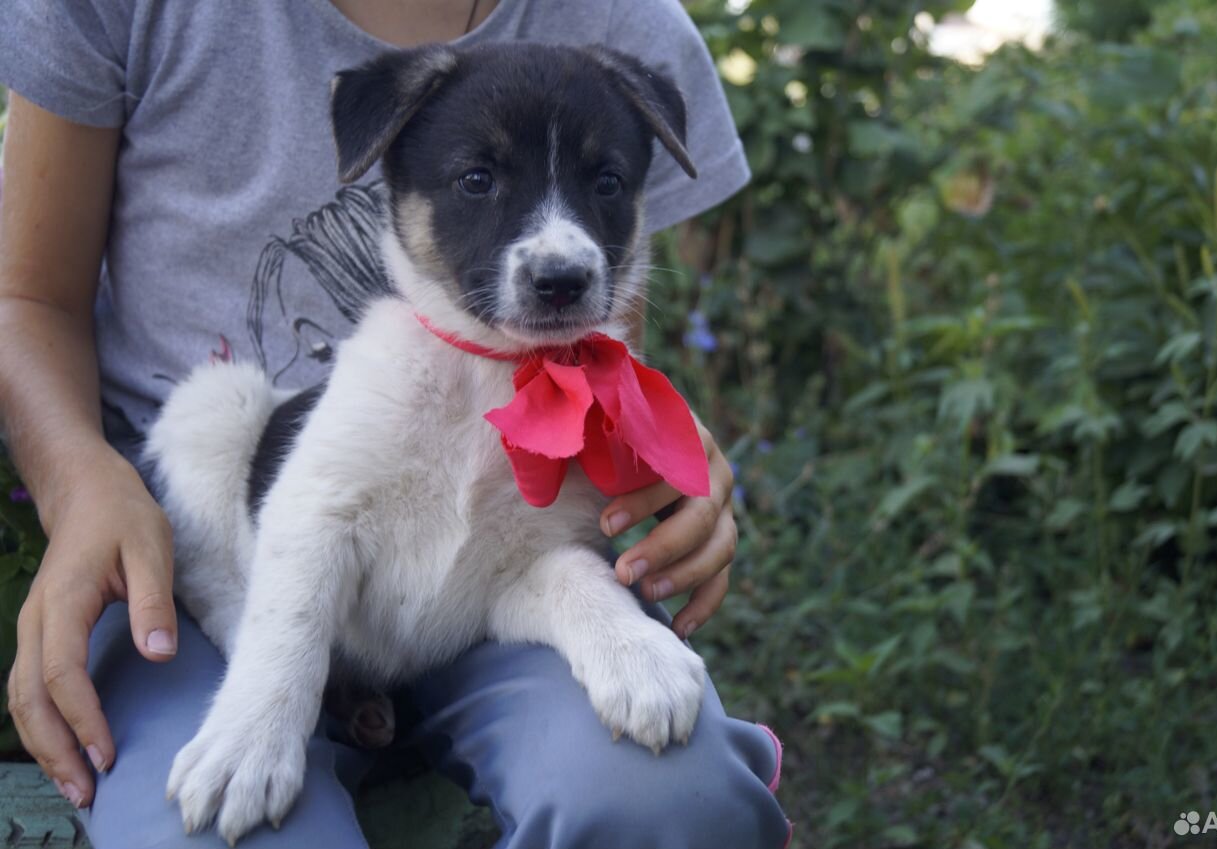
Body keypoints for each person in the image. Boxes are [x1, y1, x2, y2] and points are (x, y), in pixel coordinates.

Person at [0, 0, 791, 846]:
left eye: (603, 186)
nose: (561, 252)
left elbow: (531, 563)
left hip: (478, 629)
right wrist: (81, 486)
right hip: (198, 566)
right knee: (217, 822)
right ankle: (277, 674)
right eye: (480, 182)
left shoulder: (627, 26)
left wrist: (654, 452)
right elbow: (27, 297)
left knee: (671, 795)